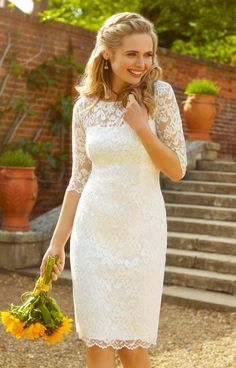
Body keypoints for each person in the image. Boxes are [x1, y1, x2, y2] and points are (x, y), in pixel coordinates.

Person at [40, 11, 187, 368]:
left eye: (148, 54)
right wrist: (57, 244)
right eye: (132, 54)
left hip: (141, 231)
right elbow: (78, 180)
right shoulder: (85, 107)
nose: (141, 64)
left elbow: (176, 169)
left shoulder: (160, 95)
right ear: (108, 53)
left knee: (132, 347)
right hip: (94, 232)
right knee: (98, 343)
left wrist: (141, 127)